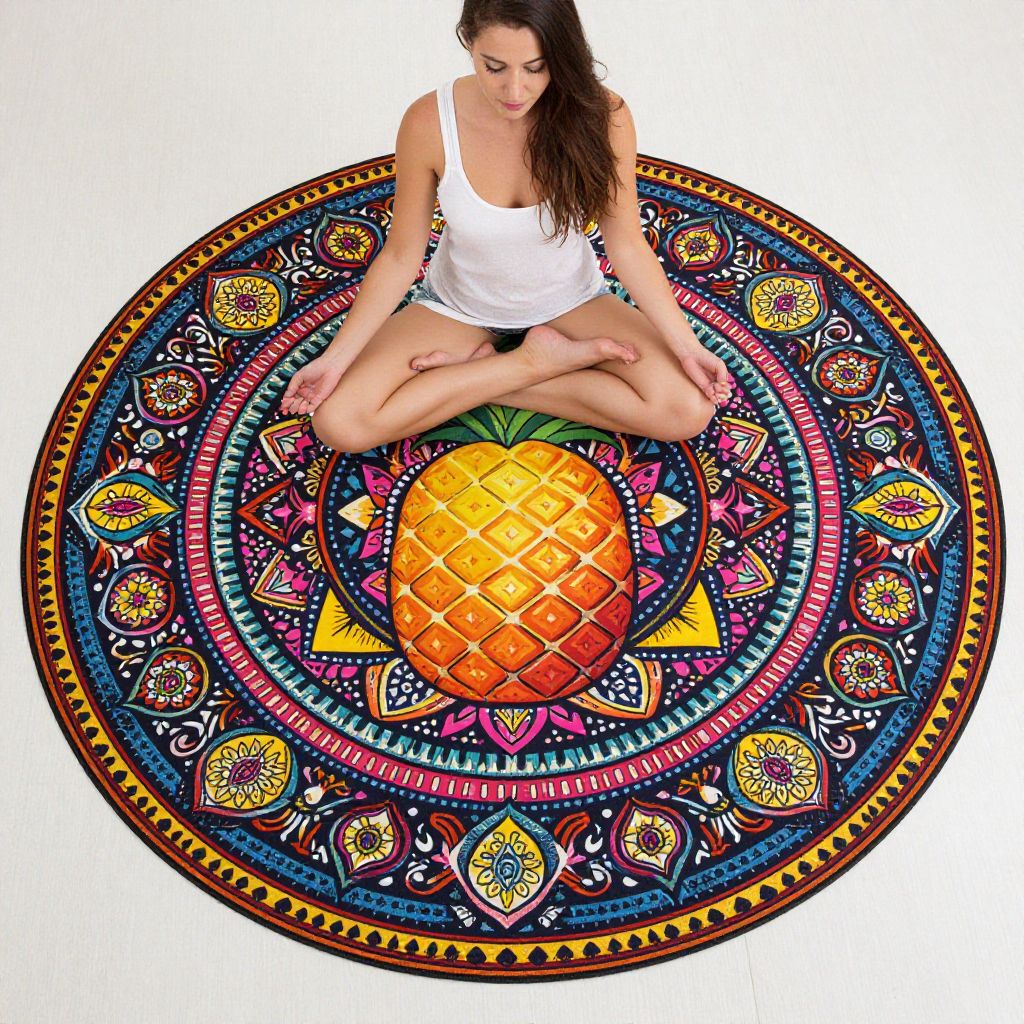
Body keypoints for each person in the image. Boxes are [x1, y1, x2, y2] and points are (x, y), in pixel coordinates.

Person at [282, 0, 732, 452]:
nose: (514, 89)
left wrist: (689, 348)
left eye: (536, 67)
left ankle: (473, 376)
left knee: (686, 408)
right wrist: (335, 360)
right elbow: (401, 255)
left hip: (572, 302)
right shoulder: (428, 121)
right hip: (458, 307)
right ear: (468, 43)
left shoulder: (604, 115)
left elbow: (628, 245)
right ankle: (532, 363)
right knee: (341, 422)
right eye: (493, 67)